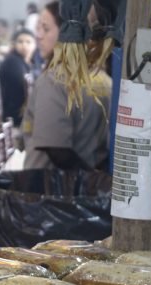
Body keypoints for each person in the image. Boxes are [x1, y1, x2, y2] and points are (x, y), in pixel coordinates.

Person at [22, 2, 112, 171]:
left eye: (46, 29)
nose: (38, 36)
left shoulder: (54, 81)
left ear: (67, 32)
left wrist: (89, 180)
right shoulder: (105, 80)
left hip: (48, 190)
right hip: (87, 191)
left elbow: (57, 150)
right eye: (38, 28)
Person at [0, 29, 35, 127]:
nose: (24, 45)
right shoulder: (13, 62)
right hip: (15, 116)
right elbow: (24, 87)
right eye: (20, 42)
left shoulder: (25, 61)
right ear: (14, 44)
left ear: (35, 45)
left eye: (28, 42)